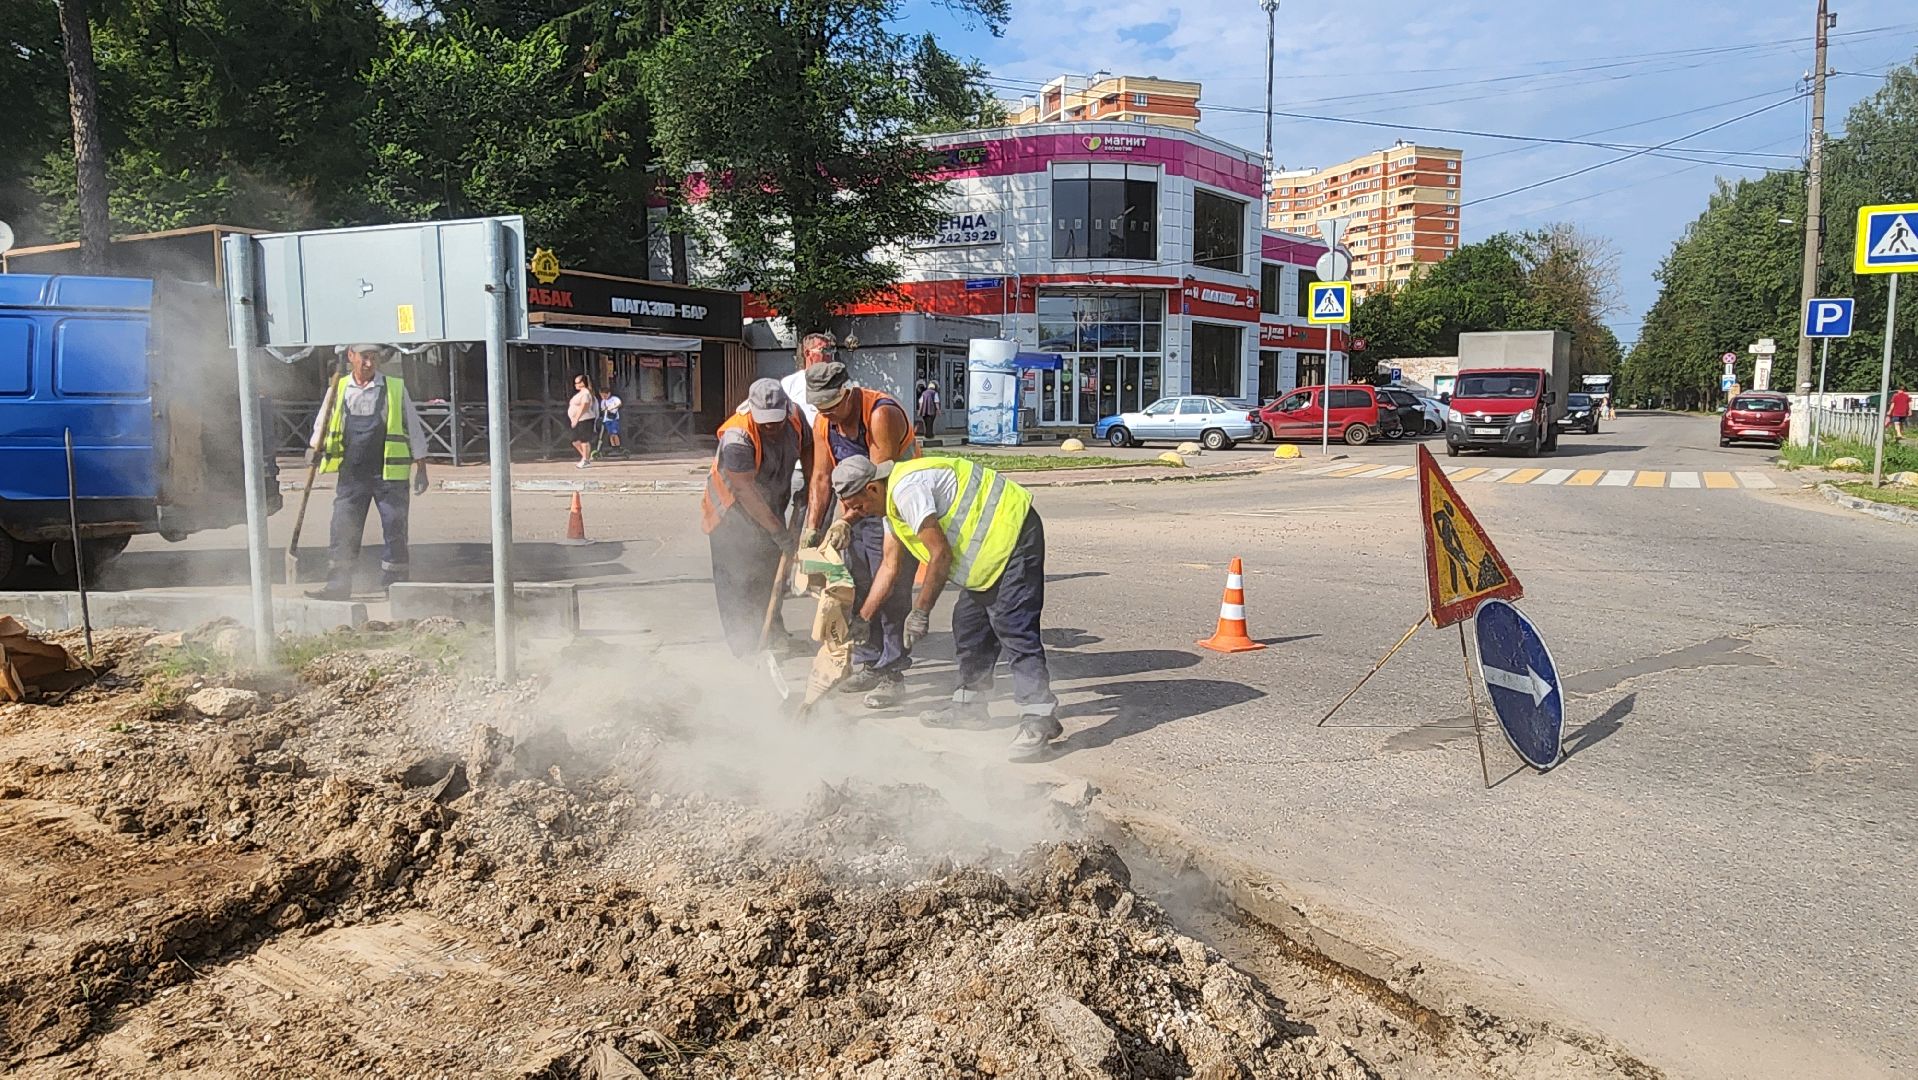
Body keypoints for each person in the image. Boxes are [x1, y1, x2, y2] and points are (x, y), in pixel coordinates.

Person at [833, 454, 1060, 761]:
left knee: (1013, 627)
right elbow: (889, 566)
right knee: (968, 624)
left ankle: (1038, 719)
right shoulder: (890, 509)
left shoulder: (906, 491)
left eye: (858, 506)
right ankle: (970, 707)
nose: (858, 514)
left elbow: (940, 555)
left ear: (873, 488)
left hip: (1013, 534)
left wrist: (920, 611)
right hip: (988, 553)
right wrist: (863, 618)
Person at [804, 362, 920, 708]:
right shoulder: (824, 422)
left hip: (892, 507)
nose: (830, 416)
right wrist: (813, 530)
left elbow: (875, 485)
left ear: (847, 392)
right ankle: (871, 662)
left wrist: (845, 520)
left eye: (833, 407)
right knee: (858, 588)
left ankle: (892, 674)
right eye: (821, 409)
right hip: (855, 510)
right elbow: (822, 478)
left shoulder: (880, 414)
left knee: (890, 590)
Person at [306, 344, 429, 600]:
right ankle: (338, 585)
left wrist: (421, 467)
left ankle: (395, 588)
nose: (369, 364)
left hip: (388, 476)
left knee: (395, 528)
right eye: (364, 358)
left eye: (373, 358)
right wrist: (313, 450)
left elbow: (413, 427)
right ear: (351, 357)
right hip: (351, 475)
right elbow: (323, 424)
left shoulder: (394, 388)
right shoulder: (338, 389)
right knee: (343, 529)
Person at [701, 379, 814, 657]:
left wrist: (809, 488)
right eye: (765, 422)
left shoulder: (796, 416)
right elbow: (745, 490)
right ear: (752, 411)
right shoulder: (737, 436)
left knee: (768, 572)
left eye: (776, 420)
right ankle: (744, 649)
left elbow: (811, 449)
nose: (771, 427)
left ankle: (773, 634)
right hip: (730, 514)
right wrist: (778, 532)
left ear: (786, 408)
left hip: (771, 505)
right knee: (738, 581)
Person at [780, 332, 837, 429]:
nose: (828, 355)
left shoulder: (837, 382)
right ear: (807, 353)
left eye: (830, 350)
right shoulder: (789, 383)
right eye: (822, 350)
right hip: (802, 439)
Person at [567, 374, 599, 468]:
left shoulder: (586, 393)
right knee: (575, 440)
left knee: (584, 440)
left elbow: (584, 406)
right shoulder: (580, 393)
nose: (575, 385)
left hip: (585, 418)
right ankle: (585, 457)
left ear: (582, 383)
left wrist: (576, 418)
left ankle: (585, 459)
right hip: (578, 419)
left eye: (577, 383)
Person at [598, 385, 624, 456]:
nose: (603, 397)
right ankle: (613, 447)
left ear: (609, 393)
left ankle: (618, 447)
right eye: (602, 396)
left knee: (614, 433)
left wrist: (612, 408)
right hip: (607, 419)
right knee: (610, 434)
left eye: (605, 395)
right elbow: (602, 409)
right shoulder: (603, 401)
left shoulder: (614, 399)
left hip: (614, 418)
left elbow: (619, 404)